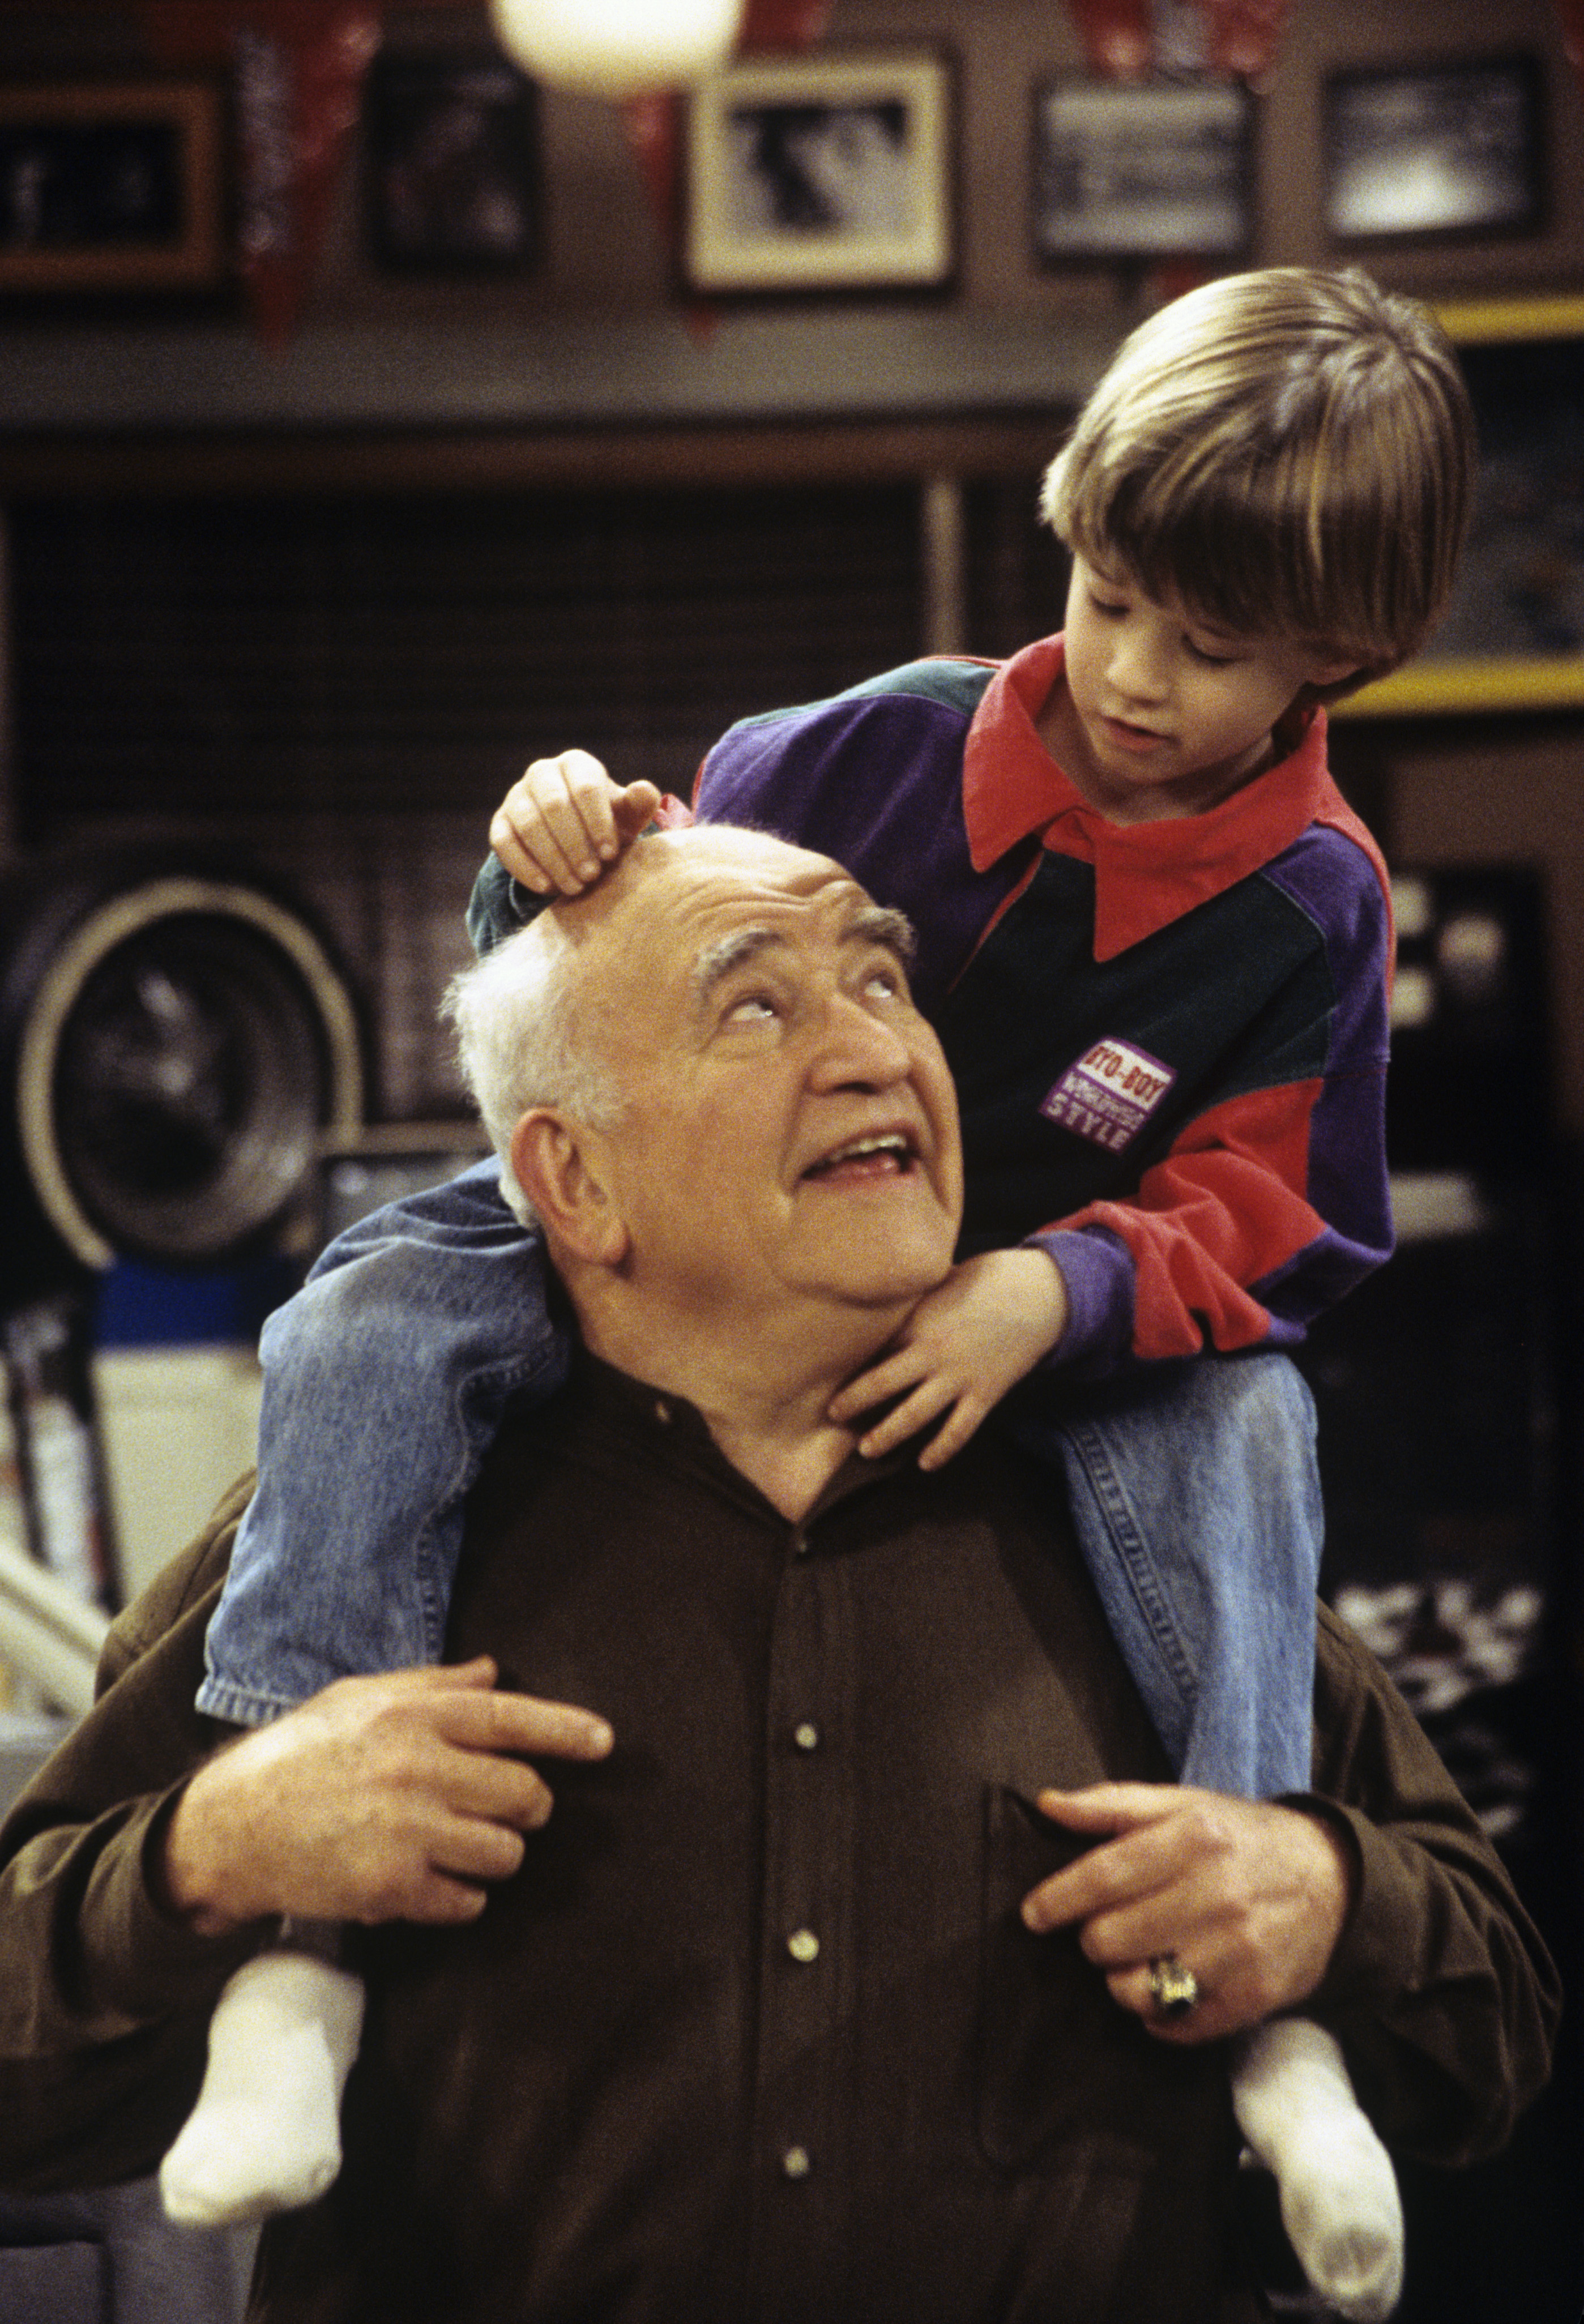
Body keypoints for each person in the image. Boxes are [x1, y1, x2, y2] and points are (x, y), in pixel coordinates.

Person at [170, 267, 1474, 2313]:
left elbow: (1285, 1209)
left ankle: (1257, 2018)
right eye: (1111, 595)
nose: (1130, 674)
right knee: (363, 1311)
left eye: (1211, 648)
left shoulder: (1313, 908)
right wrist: (559, 853)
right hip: (682, 1282)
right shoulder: (853, 754)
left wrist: (1053, 1291)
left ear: (1347, 655)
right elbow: (633, 954)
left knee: (1256, 1410)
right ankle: (299, 1966)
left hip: (1061, 1326)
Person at [0, 828, 1560, 2324]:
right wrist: (212, 1850)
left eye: (884, 983)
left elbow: (1499, 2028)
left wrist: (1331, 1903)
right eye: (756, 1004)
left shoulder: (1149, 1499)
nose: (877, 1048)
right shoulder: (360, 1526)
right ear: (573, 1181)